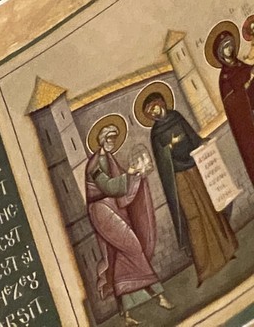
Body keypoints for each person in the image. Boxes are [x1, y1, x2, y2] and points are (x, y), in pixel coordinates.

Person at [143, 86, 237, 285]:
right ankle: (204, 268)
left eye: (154, 107)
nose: (154, 112)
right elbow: (162, 161)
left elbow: (192, 136)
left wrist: (201, 144)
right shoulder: (155, 133)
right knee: (193, 217)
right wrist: (171, 151)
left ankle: (227, 249)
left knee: (210, 207)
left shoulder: (176, 116)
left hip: (195, 167)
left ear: (161, 102)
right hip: (179, 177)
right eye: (150, 112)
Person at [82, 115, 171, 319]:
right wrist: (130, 174)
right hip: (102, 211)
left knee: (122, 256)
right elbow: (109, 187)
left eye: (114, 138)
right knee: (133, 247)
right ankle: (159, 295)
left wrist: (137, 176)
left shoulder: (111, 160)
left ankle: (126, 311)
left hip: (113, 209)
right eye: (109, 138)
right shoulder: (94, 165)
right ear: (102, 140)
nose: (112, 142)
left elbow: (125, 185)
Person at [211, 22, 254, 180]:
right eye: (225, 47)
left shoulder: (242, 66)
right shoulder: (225, 79)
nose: (229, 49)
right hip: (248, 124)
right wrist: (247, 84)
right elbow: (232, 105)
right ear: (220, 53)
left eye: (230, 45)